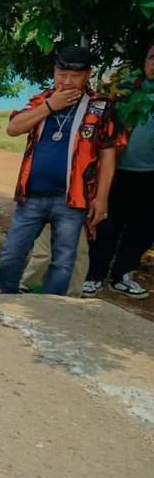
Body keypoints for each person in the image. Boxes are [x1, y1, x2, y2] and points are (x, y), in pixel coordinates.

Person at [0, 45, 126, 297]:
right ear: (55, 71)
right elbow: (13, 128)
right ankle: (5, 288)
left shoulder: (101, 107)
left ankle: (52, 303)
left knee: (64, 256)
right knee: (14, 248)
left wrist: (101, 198)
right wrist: (49, 106)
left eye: (74, 76)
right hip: (32, 193)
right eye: (61, 74)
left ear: (87, 74)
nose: (66, 81)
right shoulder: (40, 100)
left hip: (72, 197)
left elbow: (108, 155)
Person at [82, 42, 154, 299]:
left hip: (150, 175)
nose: (153, 64)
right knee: (106, 223)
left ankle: (122, 275)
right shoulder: (124, 90)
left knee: (144, 228)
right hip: (116, 170)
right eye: (151, 57)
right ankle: (94, 275)